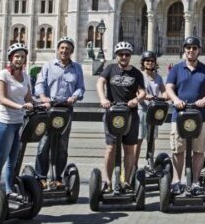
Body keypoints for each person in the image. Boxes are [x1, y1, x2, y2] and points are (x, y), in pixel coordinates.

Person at [165, 36, 205, 195]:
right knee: (178, 149)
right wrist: (176, 100)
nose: (191, 51)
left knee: (199, 150)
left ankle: (195, 182)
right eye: (188, 48)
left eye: (194, 48)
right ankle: (176, 180)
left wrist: (204, 100)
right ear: (184, 50)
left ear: (199, 50)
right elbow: (169, 88)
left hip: (200, 115)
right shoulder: (176, 69)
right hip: (179, 115)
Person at [33, 37, 85, 188]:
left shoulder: (77, 68)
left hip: (65, 110)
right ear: (57, 49)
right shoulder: (48, 65)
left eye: (67, 48)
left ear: (72, 51)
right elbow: (40, 84)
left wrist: (74, 96)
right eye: (62, 48)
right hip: (49, 109)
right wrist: (43, 98)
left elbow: (80, 87)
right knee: (44, 143)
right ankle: (41, 177)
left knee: (62, 145)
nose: (64, 51)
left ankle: (57, 177)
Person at [96, 41, 146, 192]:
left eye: (127, 54)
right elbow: (100, 82)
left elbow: (143, 92)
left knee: (129, 148)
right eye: (120, 54)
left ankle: (126, 181)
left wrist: (136, 100)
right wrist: (103, 99)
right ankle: (107, 181)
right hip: (113, 113)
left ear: (130, 56)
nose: (124, 57)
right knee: (111, 148)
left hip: (130, 114)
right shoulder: (110, 68)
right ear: (116, 56)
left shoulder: (136, 73)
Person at [0, 43, 34, 199]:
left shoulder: (25, 76)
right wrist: (21, 106)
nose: (19, 59)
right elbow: (1, 99)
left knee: (12, 162)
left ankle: (8, 191)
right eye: (17, 56)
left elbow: (28, 98)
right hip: (4, 123)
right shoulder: (3, 75)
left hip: (18, 123)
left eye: (22, 57)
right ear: (11, 58)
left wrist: (42, 104)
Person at [136, 50, 167, 162]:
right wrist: (144, 96)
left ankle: (150, 161)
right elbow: (136, 92)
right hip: (142, 110)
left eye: (152, 61)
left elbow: (164, 91)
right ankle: (133, 163)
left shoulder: (158, 77)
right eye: (147, 61)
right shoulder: (139, 75)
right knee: (139, 139)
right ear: (143, 62)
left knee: (151, 139)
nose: (150, 63)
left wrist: (165, 96)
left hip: (154, 111)